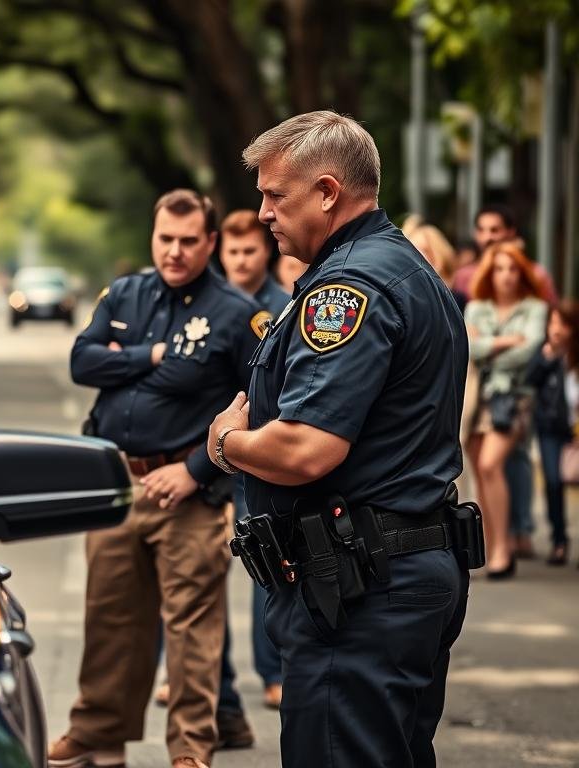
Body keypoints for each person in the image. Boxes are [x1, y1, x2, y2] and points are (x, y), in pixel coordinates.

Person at [209, 110, 472, 768]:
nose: (263, 212)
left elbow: (307, 449)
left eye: (276, 194)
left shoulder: (346, 290)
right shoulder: (403, 269)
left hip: (359, 589)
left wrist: (228, 444)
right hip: (391, 571)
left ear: (328, 191)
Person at [50, 189, 261, 768]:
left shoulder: (237, 314)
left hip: (187, 494)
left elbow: (258, 406)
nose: (174, 251)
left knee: (192, 633)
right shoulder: (125, 293)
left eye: (188, 241)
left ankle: (190, 751)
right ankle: (97, 736)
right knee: (110, 619)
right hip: (117, 483)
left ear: (211, 243)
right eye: (165, 238)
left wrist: (194, 471)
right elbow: (82, 361)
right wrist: (148, 356)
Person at [217, 208, 285, 710]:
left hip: (255, 451)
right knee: (196, 576)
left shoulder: (283, 308)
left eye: (250, 250)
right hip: (206, 450)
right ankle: (208, 679)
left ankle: (272, 672)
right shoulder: (207, 303)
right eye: (233, 251)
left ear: (266, 252)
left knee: (264, 564)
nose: (241, 260)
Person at [463, 242, 547, 577]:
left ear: (522, 272)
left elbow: (528, 352)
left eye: (513, 269)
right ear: (489, 272)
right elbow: (468, 346)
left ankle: (502, 547)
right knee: (482, 472)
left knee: (490, 463)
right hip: (475, 397)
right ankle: (494, 545)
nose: (506, 276)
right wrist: (502, 342)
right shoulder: (477, 306)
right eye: (499, 269)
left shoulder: (534, 308)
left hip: (513, 397)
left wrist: (487, 346)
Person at [526, 301, 579, 565]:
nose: (557, 329)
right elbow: (530, 378)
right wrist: (548, 356)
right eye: (553, 322)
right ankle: (559, 539)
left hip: (575, 430)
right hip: (550, 428)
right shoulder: (545, 352)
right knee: (553, 481)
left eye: (563, 324)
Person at [405, 222, 467, 313]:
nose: (418, 255)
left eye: (425, 250)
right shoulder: (405, 300)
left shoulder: (456, 299)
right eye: (413, 250)